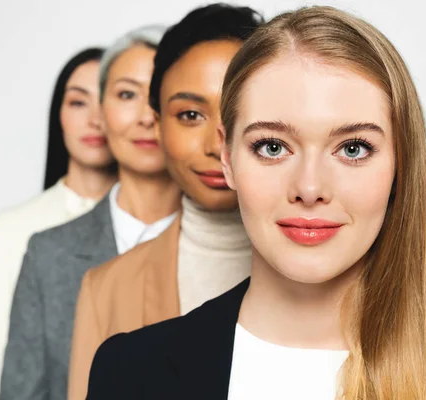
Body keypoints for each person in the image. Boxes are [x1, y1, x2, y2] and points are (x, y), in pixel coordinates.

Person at [86, 6, 426, 400]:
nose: (309, 187)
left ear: (402, 165)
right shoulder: (128, 373)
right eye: (272, 146)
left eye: (354, 149)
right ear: (227, 156)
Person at [67, 5, 264, 400]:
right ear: (157, 123)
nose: (215, 146)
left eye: (237, 112)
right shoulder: (106, 288)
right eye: (190, 114)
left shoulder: (326, 269)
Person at [0, 25, 181, 400]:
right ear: (102, 110)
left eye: (159, 95)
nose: (146, 117)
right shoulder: (48, 253)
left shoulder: (230, 246)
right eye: (127, 94)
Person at [0, 47, 117, 400]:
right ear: (59, 115)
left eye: (110, 99)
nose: (94, 119)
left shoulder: (159, 223)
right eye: (78, 102)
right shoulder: (14, 231)